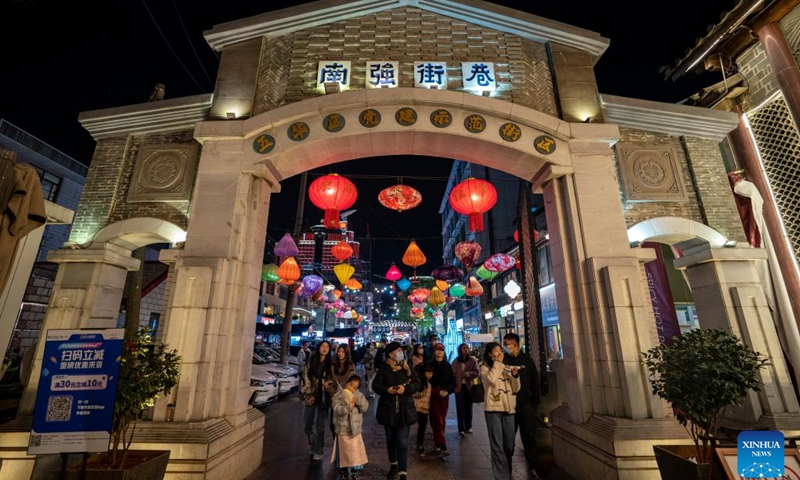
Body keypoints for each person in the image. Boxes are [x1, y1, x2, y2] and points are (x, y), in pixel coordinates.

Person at [373, 341, 420, 480]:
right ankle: (393, 464)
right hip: (388, 410)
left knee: (402, 441)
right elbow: (376, 386)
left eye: (401, 350)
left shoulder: (407, 368)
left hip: (405, 409)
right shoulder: (384, 369)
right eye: (397, 350)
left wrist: (405, 389)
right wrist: (387, 390)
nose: (400, 353)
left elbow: (417, 383)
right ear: (391, 354)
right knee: (391, 440)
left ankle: (403, 471)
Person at [503, 333, 542, 480]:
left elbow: (534, 382)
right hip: (509, 406)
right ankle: (507, 468)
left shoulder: (526, 360)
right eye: (505, 344)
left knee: (529, 438)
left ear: (516, 344)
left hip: (525, 405)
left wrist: (534, 403)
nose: (506, 347)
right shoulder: (504, 360)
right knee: (508, 439)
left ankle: (533, 467)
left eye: (509, 344)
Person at [481, 342, 521, 480]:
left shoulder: (506, 367)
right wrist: (498, 364)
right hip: (493, 410)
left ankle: (507, 469)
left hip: (509, 409)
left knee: (509, 444)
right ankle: (502, 477)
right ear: (489, 354)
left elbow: (516, 389)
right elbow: (491, 380)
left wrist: (515, 377)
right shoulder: (484, 368)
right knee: (497, 445)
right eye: (495, 350)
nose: (499, 352)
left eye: (500, 350)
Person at [300, 339, 336, 461]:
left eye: (327, 347)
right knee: (307, 424)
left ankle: (318, 450)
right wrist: (308, 395)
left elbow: (333, 381)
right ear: (319, 348)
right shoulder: (310, 362)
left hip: (324, 398)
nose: (325, 348)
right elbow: (305, 379)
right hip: (311, 397)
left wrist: (328, 385)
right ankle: (313, 442)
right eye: (323, 346)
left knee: (320, 426)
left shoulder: (331, 364)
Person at [331, 374, 370, 480]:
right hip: (343, 430)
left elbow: (365, 407)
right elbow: (337, 409)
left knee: (355, 452)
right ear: (346, 383)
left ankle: (354, 472)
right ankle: (344, 471)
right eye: (350, 385)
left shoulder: (359, 395)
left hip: (355, 431)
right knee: (343, 452)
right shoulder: (338, 395)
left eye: (354, 387)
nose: (351, 389)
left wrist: (359, 402)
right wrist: (348, 407)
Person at [426, 343, 455, 455]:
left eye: (441, 350)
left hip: (444, 395)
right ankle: (442, 444)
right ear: (434, 351)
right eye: (437, 350)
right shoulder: (429, 365)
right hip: (433, 393)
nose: (439, 352)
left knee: (442, 419)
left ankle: (438, 443)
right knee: (437, 419)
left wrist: (447, 390)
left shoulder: (447, 366)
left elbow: (452, 382)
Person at [452, 343, 480, 436]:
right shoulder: (456, 361)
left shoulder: (472, 360)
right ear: (460, 350)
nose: (465, 350)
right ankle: (461, 428)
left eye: (467, 348)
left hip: (469, 386)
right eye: (463, 348)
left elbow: (476, 372)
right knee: (460, 407)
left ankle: (468, 426)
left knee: (468, 407)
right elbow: (452, 373)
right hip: (459, 386)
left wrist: (467, 374)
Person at [412, 362, 435, 458]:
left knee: (422, 428)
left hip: (425, 408)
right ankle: (419, 445)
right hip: (417, 407)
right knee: (418, 427)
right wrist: (421, 393)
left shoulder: (430, 382)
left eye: (431, 373)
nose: (430, 375)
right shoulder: (420, 381)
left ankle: (419, 444)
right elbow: (413, 394)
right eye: (428, 372)